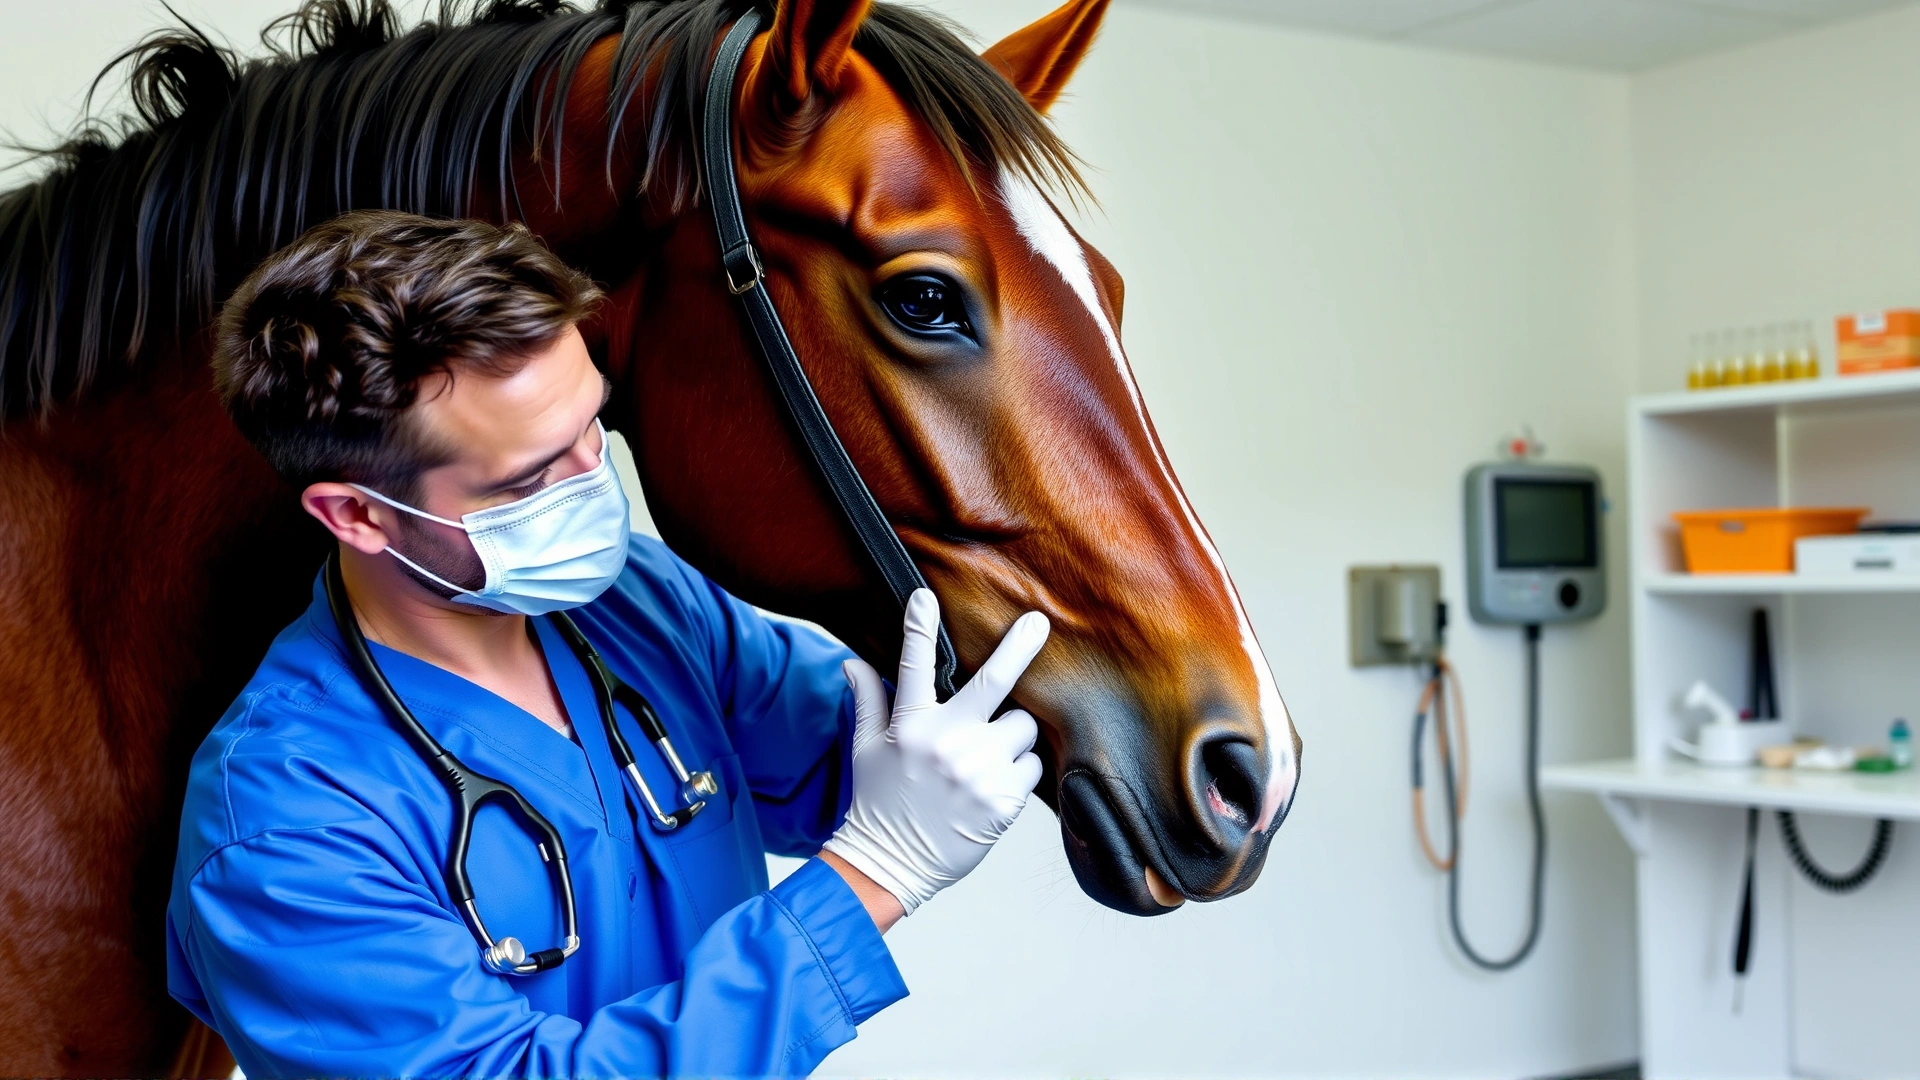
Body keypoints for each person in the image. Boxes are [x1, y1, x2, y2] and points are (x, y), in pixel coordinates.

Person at [165, 211, 1050, 1078]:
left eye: (591, 424)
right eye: (533, 476)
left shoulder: (635, 598)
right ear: (356, 514)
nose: (595, 483)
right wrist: (874, 875)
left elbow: (840, 753)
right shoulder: (282, 824)